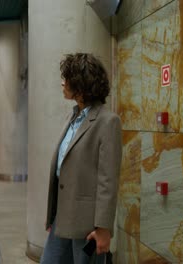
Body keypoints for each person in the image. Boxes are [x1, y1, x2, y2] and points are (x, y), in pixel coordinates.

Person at [41, 53, 122, 264]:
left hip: (88, 225)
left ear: (80, 84)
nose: (62, 82)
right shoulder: (74, 117)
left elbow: (108, 180)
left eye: (66, 78)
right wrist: (53, 215)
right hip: (62, 218)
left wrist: (103, 228)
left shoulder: (107, 122)